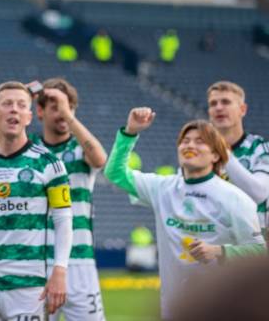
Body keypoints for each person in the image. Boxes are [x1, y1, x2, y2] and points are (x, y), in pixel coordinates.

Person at [104, 109, 266, 319]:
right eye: (185, 141)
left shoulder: (234, 198)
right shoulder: (162, 188)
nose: (190, 145)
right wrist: (130, 132)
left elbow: (259, 253)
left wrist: (220, 251)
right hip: (174, 310)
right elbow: (114, 173)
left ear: (216, 155)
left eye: (200, 142)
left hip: (221, 310)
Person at [0, 81, 73, 320]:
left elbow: (63, 220)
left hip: (28, 286)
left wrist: (60, 270)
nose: (14, 110)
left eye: (21, 105)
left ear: (29, 117)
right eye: (7, 104)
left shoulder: (49, 163)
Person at [29, 79, 109, 320]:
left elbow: (100, 160)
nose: (63, 114)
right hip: (36, 261)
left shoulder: (80, 148)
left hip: (79, 262)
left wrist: (67, 112)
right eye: (56, 108)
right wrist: (22, 94)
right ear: (40, 111)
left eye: (69, 107)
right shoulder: (29, 150)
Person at [206, 81, 269, 231]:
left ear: (242, 109)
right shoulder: (201, 152)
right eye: (213, 104)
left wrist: (222, 152)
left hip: (252, 246)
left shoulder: (261, 148)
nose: (219, 107)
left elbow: (259, 193)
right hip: (211, 243)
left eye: (226, 102)